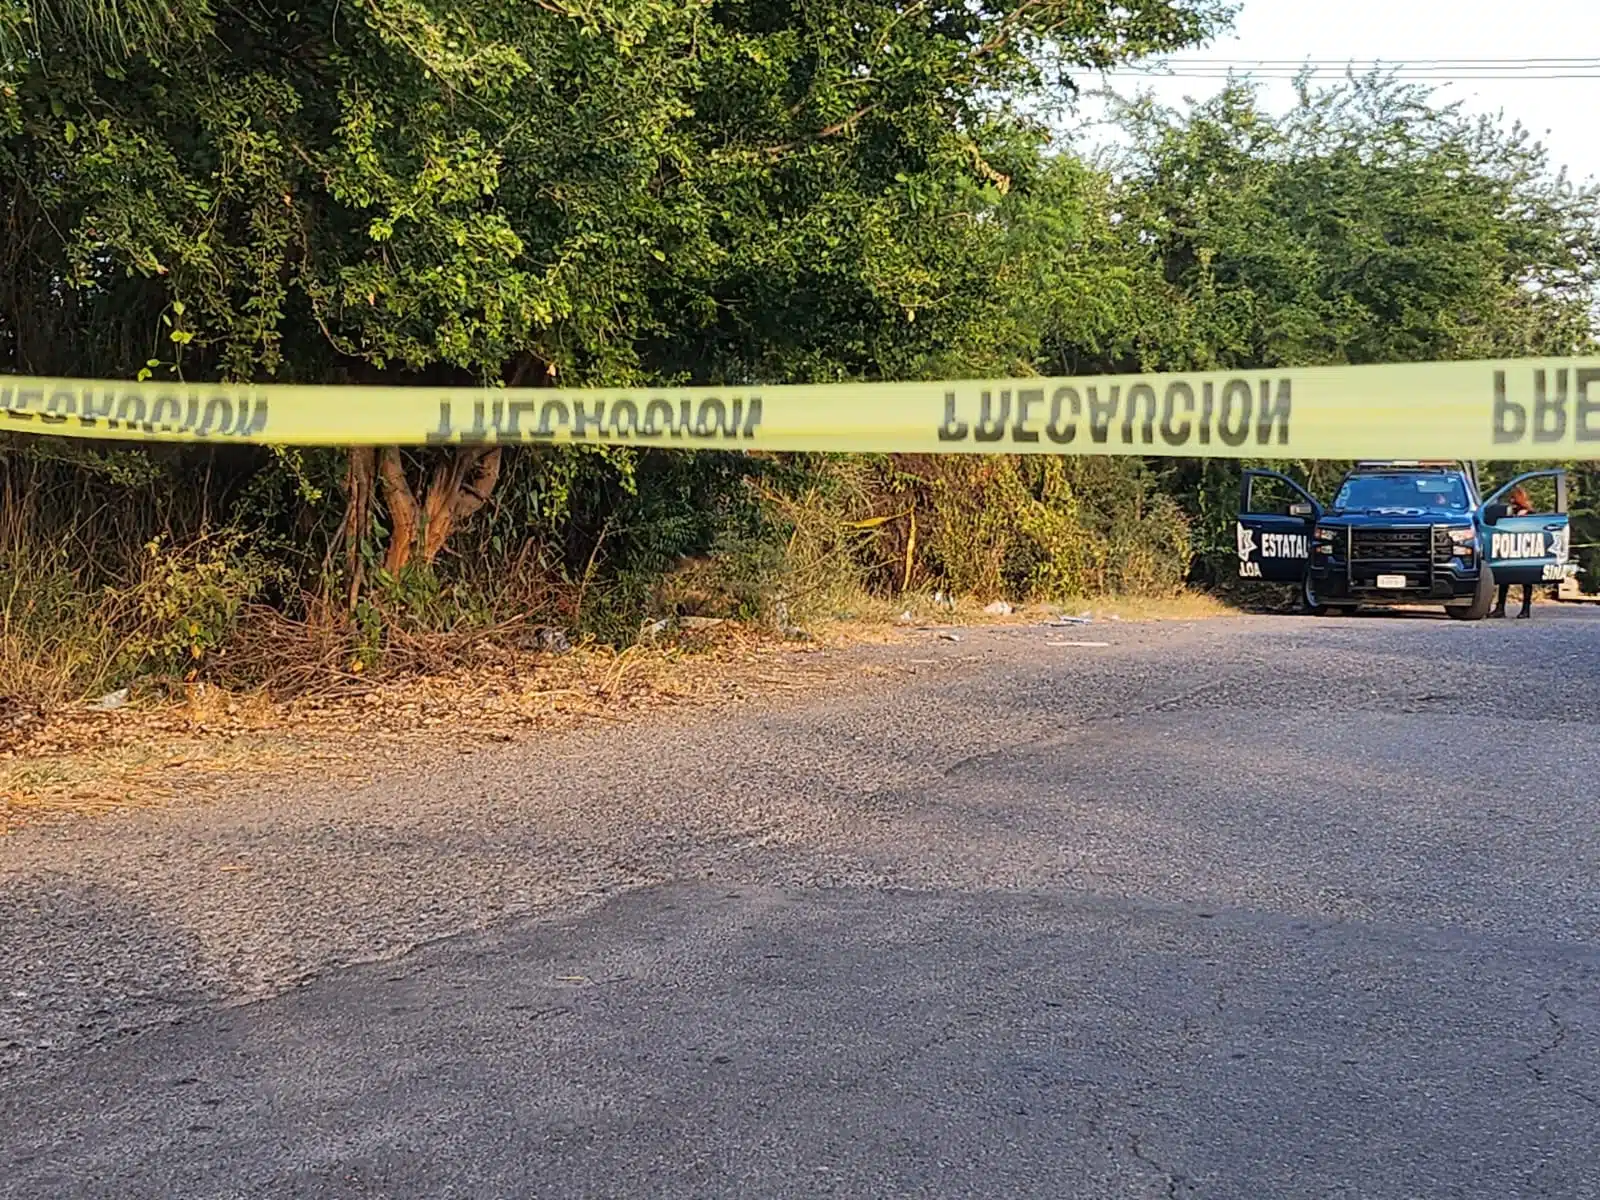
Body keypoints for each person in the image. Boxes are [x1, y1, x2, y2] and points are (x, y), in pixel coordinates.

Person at [1491, 486, 1534, 619]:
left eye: (1513, 498)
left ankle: (1525, 609)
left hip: (1525, 549)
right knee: (1505, 578)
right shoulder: (1509, 513)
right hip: (1511, 548)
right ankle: (1500, 608)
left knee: (1527, 581)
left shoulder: (1531, 514)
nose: (1511, 501)